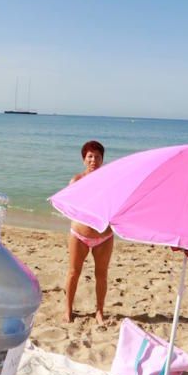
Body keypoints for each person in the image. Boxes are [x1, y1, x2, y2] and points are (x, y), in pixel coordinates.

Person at [64, 140, 115, 326]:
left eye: (98, 157)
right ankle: (68, 310)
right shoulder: (76, 181)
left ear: (102, 160)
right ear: (84, 159)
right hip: (80, 235)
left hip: (104, 236)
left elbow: (116, 206)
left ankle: (99, 312)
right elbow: (69, 206)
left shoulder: (110, 181)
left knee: (101, 275)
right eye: (90, 156)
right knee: (73, 272)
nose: (94, 160)